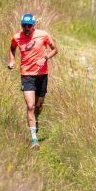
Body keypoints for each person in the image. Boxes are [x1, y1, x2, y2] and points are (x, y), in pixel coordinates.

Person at [8, 13, 58, 148]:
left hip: (42, 74)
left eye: (29, 25)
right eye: (24, 25)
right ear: (21, 25)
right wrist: (12, 61)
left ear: (34, 26)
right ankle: (34, 139)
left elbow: (55, 50)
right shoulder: (17, 37)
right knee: (30, 106)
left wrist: (45, 57)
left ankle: (36, 118)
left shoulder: (43, 35)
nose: (26, 28)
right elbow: (12, 48)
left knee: (38, 106)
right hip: (27, 75)